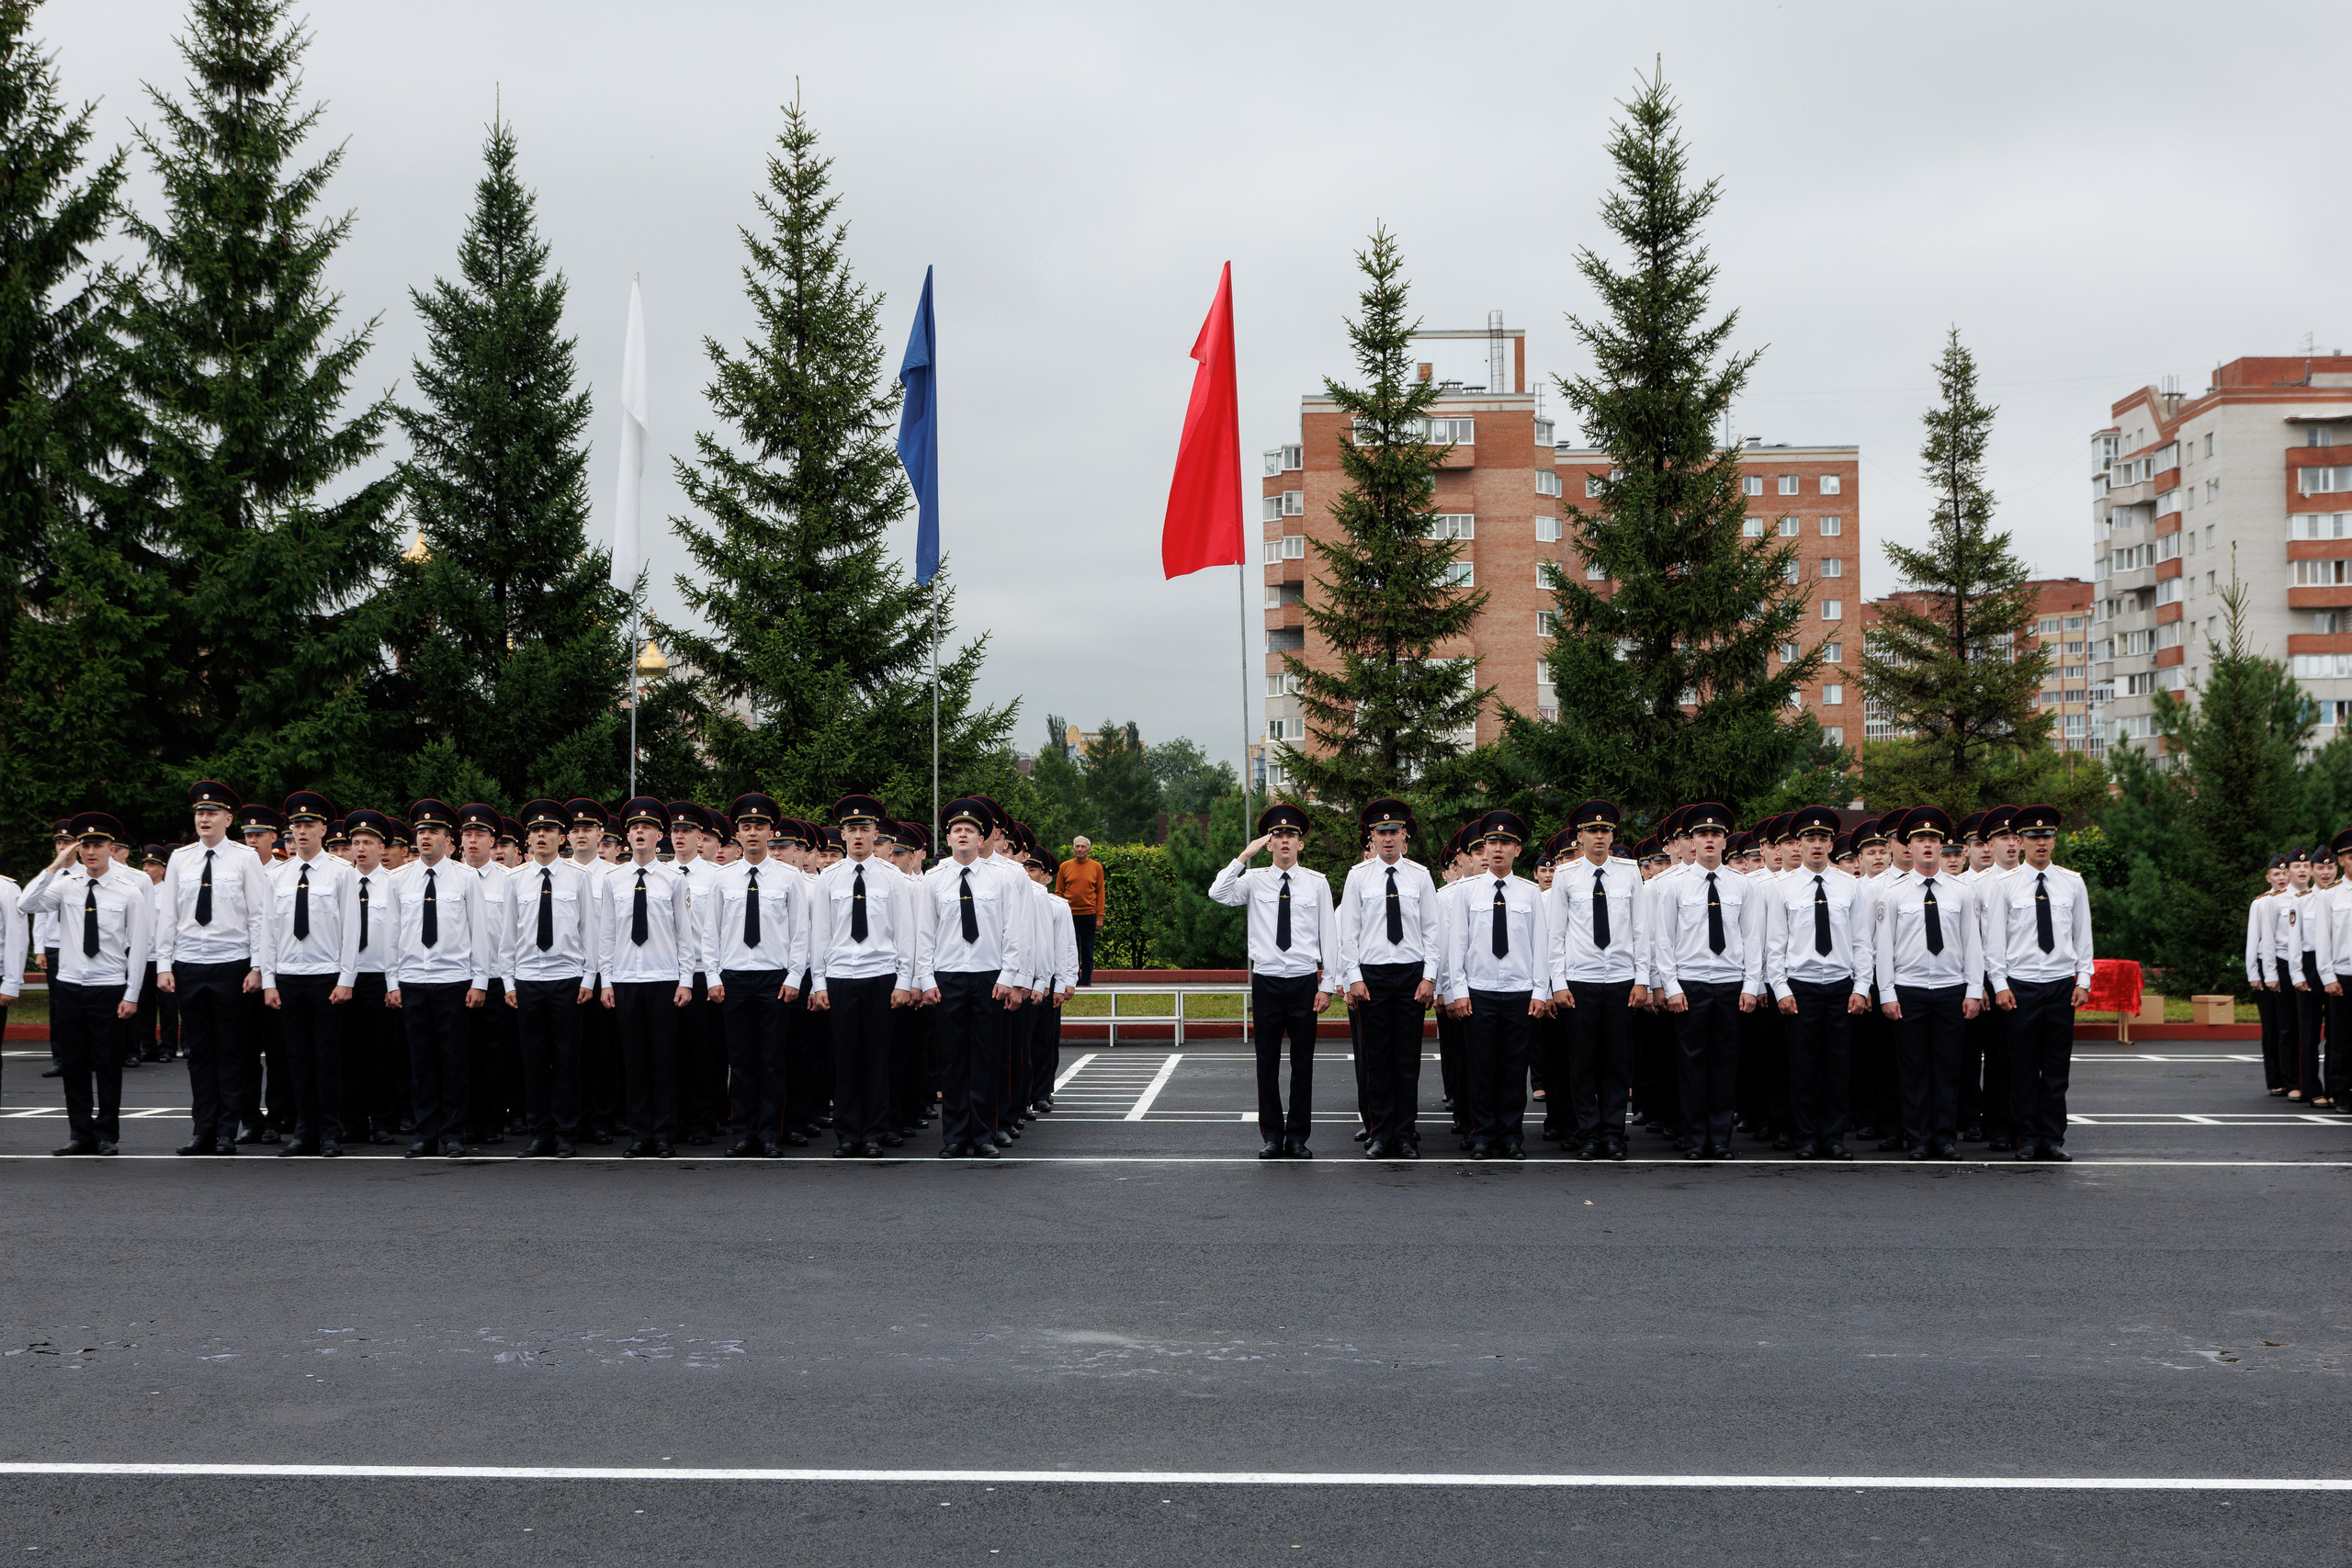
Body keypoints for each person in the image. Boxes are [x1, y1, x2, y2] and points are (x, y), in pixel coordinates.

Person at [154, 782, 277, 1156]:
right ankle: (203, 1130)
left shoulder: (244, 858)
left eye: (212, 813)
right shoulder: (181, 859)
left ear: (228, 819)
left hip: (232, 965)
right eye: (199, 813)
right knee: (199, 1053)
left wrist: (257, 966)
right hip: (190, 964)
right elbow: (169, 914)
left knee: (232, 1051)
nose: (204, 819)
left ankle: (227, 1131)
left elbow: (259, 916)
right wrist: (164, 964)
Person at [1209, 802, 1336, 1159]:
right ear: (1269, 844)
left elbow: (1329, 935)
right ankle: (1272, 1136)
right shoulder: (1253, 880)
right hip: (1266, 981)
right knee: (1266, 1062)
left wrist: (1327, 984)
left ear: (1300, 844)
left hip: (1303, 981)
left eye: (1290, 836)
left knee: (1302, 1064)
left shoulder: (1316, 883)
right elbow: (1218, 893)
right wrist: (1243, 857)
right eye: (1277, 835)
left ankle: (1297, 1137)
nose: (1284, 841)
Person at [20, 813, 149, 1154]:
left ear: (111, 849)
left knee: (107, 1064)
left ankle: (106, 1134)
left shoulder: (129, 892)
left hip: (108, 986)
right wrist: (55, 865)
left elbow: (139, 946)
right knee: (74, 1064)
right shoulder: (65, 886)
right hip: (70, 986)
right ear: (78, 849)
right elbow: (26, 903)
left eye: (98, 845)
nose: (92, 852)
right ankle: (80, 1134)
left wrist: (132, 993)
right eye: (85, 845)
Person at [806, 795, 921, 1158]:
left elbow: (905, 934)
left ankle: (873, 1133)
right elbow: (819, 934)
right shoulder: (828, 878)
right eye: (852, 829)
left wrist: (904, 981)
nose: (858, 835)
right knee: (845, 1059)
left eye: (865, 829)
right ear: (842, 834)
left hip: (880, 975)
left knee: (877, 1058)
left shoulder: (892, 878)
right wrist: (819, 983)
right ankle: (847, 1134)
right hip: (840, 977)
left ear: (875, 834)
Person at [1653, 802, 1764, 1161]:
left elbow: (1752, 938)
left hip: (1730, 984)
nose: (1709, 839)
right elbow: (1664, 940)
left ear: (1725, 840)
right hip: (1691, 985)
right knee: (1691, 1065)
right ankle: (1694, 1137)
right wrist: (1671, 986)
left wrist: (1751, 986)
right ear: (1692, 842)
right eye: (1702, 834)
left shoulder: (1742, 885)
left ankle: (1719, 1138)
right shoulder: (1675, 886)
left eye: (1716, 834)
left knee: (1725, 1065)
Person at [1873, 807, 1985, 1161]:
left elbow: (1972, 944)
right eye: (1920, 839)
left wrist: (1973, 990)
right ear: (1909, 846)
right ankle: (1918, 1138)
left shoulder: (1961, 892)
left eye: (1933, 840)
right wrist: (1887, 993)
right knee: (1913, 1070)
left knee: (1948, 1069)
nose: (1927, 845)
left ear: (1942, 845)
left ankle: (1944, 1138)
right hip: (1909, 989)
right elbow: (1883, 947)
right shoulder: (1893, 893)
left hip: (1951, 989)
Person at [1984, 804, 2094, 1161]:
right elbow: (1995, 941)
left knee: (2057, 1068)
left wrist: (2084, 979)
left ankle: (2052, 1138)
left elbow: (2082, 935)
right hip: (2022, 985)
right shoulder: (2005, 885)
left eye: (2047, 836)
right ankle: (2028, 1137)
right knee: (2024, 1067)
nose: (2041, 843)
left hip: (2061, 984)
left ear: (2055, 840)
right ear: (2020, 842)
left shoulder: (2072, 882)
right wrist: (2000, 984)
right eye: (2033, 837)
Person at [919, 798, 1025, 1159]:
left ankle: (983, 1134)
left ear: (982, 839)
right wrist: (926, 979)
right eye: (956, 830)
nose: (962, 835)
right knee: (952, 1060)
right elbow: (924, 933)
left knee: (986, 1057)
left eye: (970, 830)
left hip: (988, 978)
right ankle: (954, 1136)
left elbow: (1013, 930)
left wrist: (1008, 975)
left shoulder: (1002, 878)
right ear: (947, 838)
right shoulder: (933, 880)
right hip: (948, 977)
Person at [1335, 797, 1440, 1160]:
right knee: (1376, 1059)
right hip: (1373, 976)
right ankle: (1380, 1134)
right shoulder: (1358, 876)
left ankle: (1406, 1135)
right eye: (1382, 833)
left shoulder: (1420, 876)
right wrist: (1353, 977)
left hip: (1411, 974)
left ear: (1404, 834)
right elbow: (1349, 933)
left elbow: (1432, 932)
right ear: (1372, 837)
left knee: (1407, 1060)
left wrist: (1429, 977)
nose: (1388, 838)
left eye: (1394, 831)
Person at [388, 799, 492, 1158]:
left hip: (453, 981)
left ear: (449, 839)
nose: (425, 837)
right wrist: (392, 983)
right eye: (421, 831)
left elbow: (478, 932)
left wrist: (479, 981)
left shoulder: (466, 878)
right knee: (421, 1063)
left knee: (454, 1061)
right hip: (413, 980)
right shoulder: (399, 879)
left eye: (433, 832)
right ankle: (425, 1133)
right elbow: (392, 935)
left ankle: (452, 1133)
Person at [1760, 805, 1865, 1161]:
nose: (1816, 845)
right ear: (1798, 844)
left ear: (1832, 844)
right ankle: (1804, 1136)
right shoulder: (1782, 888)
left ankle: (1833, 1137)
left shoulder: (1850, 886)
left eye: (1822, 838)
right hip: (1800, 986)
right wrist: (1781, 989)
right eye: (1809, 838)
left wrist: (1861, 987)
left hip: (1839, 985)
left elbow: (1861, 942)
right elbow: (1775, 944)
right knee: (1802, 1066)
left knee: (1837, 1066)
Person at [708, 793, 808, 1158]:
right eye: (746, 827)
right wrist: (713, 976)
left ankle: (768, 1133)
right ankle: (743, 1133)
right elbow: (711, 932)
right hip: (734, 977)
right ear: (737, 834)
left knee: (771, 1060)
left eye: (760, 827)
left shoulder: (789, 877)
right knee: (740, 1060)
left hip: (773, 978)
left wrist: (794, 976)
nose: (753, 833)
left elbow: (800, 932)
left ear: (771, 832)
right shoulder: (723, 878)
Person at [1548, 797, 1647, 1162]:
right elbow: (1556, 934)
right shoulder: (1566, 875)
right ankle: (1587, 1134)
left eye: (1605, 830)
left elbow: (1641, 929)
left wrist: (1642, 979)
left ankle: (1613, 1134)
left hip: (1621, 980)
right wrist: (1558, 982)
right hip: (1581, 981)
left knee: (1617, 1063)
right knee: (1583, 1063)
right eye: (1592, 831)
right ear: (1580, 837)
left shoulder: (1629, 872)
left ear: (1613, 835)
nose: (1599, 836)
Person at [598, 796, 696, 1159]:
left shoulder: (673, 879)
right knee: (635, 1061)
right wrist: (606, 981)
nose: (640, 832)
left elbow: (684, 934)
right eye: (635, 828)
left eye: (647, 827)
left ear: (659, 836)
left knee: (664, 1060)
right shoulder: (613, 880)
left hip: (663, 978)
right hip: (626, 979)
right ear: (627, 836)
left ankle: (664, 1134)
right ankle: (640, 1134)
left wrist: (685, 979)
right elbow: (607, 934)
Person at [266, 791, 362, 1157]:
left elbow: (351, 929)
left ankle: (330, 1131)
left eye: (309, 825)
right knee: (297, 1058)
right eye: (296, 825)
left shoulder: (341, 873)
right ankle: (304, 1130)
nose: (302, 831)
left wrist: (346, 978)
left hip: (326, 976)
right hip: (289, 975)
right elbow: (268, 931)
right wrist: (270, 981)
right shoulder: (278, 875)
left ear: (323, 829)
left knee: (328, 1058)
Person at [506, 800, 600, 1157]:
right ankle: (539, 1132)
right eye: (535, 831)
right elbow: (508, 937)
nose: (541, 835)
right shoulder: (516, 880)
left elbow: (589, 931)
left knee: (566, 1059)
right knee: (533, 1060)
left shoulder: (578, 878)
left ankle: (565, 1133)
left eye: (548, 830)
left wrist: (588, 978)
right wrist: (509, 982)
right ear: (528, 840)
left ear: (562, 838)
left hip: (566, 978)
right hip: (529, 979)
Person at [342, 809, 403, 1144]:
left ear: (382, 847)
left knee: (382, 1053)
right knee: (348, 1052)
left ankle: (383, 1122)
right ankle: (352, 1122)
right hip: (346, 977)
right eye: (356, 842)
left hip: (380, 976)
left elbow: (399, 935)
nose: (361, 848)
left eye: (368, 842)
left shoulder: (394, 884)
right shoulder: (341, 882)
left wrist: (394, 982)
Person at [1023, 848, 1080, 1114]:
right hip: (1022, 978)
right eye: (1025, 869)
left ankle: (1042, 1091)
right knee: (1022, 1042)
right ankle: (1023, 1094)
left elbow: (1065, 946)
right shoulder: (1015, 901)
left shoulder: (1057, 905)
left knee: (1045, 1040)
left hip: (1049, 979)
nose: (1027, 874)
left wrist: (1065, 983)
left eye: (1033, 870)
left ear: (1047, 877)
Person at [1053, 836, 1106, 987]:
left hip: (1089, 914)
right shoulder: (1065, 866)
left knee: (1087, 950)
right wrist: (1058, 914)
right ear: (1073, 848)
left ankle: (1087, 982)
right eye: (1077, 846)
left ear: (1089, 850)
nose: (1080, 849)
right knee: (1071, 950)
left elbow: (1100, 893)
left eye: (1083, 847)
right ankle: (1072, 981)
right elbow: (1059, 892)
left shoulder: (1096, 867)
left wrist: (1100, 917)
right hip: (1069, 915)